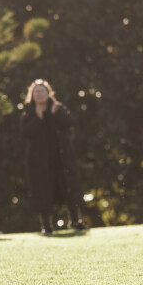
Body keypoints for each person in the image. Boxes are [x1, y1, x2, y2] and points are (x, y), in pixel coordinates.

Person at [20, 79, 87, 235]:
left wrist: (58, 113)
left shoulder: (57, 107)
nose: (39, 94)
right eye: (36, 92)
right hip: (41, 161)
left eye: (42, 91)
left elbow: (70, 122)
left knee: (69, 187)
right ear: (32, 95)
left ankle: (76, 220)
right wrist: (38, 118)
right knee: (43, 190)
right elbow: (25, 132)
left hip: (62, 158)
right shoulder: (28, 112)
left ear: (48, 93)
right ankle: (46, 225)